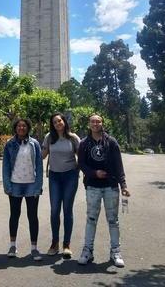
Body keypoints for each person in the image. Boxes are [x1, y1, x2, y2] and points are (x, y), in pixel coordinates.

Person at [77, 114, 130, 268]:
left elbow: (118, 165)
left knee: (113, 220)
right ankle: (88, 251)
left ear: (102, 123)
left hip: (110, 186)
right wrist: (94, 173)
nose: (95, 123)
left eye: (98, 121)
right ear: (89, 124)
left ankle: (115, 252)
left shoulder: (111, 142)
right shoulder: (84, 143)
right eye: (93, 121)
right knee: (91, 219)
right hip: (92, 186)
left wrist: (124, 186)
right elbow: (81, 164)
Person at [3, 118, 43, 261]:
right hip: (15, 184)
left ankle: (34, 248)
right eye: (19, 126)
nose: (21, 128)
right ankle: (12, 245)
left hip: (31, 185)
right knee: (14, 215)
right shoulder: (9, 144)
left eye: (24, 126)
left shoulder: (34, 144)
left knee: (33, 216)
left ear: (28, 128)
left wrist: (38, 186)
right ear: (15, 128)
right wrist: (7, 185)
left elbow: (39, 165)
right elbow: (6, 166)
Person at [42, 113, 80, 259]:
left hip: (70, 176)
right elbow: (43, 155)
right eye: (54, 122)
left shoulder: (73, 138)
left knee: (67, 209)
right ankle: (54, 243)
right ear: (52, 124)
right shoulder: (49, 137)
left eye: (60, 120)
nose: (58, 123)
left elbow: (81, 156)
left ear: (64, 121)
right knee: (54, 210)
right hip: (54, 177)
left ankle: (67, 245)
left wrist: (81, 170)